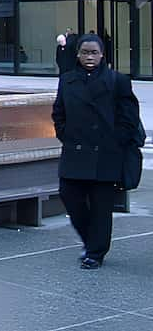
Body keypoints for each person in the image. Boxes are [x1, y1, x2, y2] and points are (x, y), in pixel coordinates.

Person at [52, 34, 145, 269]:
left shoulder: (117, 81)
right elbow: (58, 112)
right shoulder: (68, 80)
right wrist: (65, 133)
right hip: (75, 150)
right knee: (69, 195)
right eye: (85, 52)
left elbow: (129, 116)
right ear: (78, 54)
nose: (89, 57)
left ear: (102, 54)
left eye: (94, 52)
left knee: (101, 206)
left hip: (106, 153)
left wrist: (116, 141)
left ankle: (95, 252)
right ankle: (90, 241)